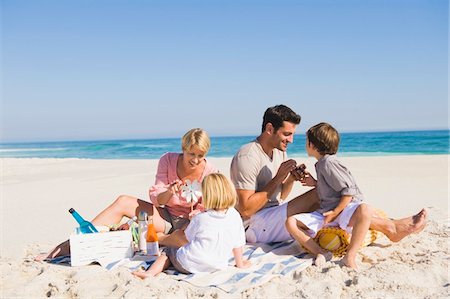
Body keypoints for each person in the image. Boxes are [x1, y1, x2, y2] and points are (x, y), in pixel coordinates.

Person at [230, 104, 427, 246]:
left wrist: (290, 178)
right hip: (255, 225)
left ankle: (387, 225)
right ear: (270, 128)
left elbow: (281, 195)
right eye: (286, 134)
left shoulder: (279, 150)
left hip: (273, 213)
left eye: (292, 134)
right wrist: (278, 177)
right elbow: (246, 209)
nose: (290, 140)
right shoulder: (247, 156)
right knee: (324, 194)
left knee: (327, 192)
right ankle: (391, 228)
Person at [36, 128, 218, 261]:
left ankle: (154, 237)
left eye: (200, 155)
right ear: (183, 148)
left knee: (185, 238)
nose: (195, 159)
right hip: (165, 216)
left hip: (189, 222)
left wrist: (194, 215)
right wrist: (170, 191)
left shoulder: (210, 172)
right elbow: (158, 200)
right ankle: (65, 247)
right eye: (191, 153)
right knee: (123, 201)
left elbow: (208, 212)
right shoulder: (168, 160)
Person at [286, 122, 373, 269]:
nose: (305, 145)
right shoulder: (322, 163)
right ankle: (321, 252)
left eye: (307, 141)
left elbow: (348, 191)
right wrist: (315, 183)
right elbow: (333, 188)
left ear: (313, 145)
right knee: (290, 222)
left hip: (342, 211)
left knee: (365, 209)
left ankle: (349, 256)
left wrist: (335, 212)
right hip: (327, 212)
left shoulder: (328, 163)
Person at [133, 173, 251, 278]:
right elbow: (238, 243)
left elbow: (186, 239)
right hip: (218, 265)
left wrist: (190, 221)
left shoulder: (201, 218)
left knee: (169, 251)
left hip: (190, 265)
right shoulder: (235, 215)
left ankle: (150, 273)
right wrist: (240, 263)